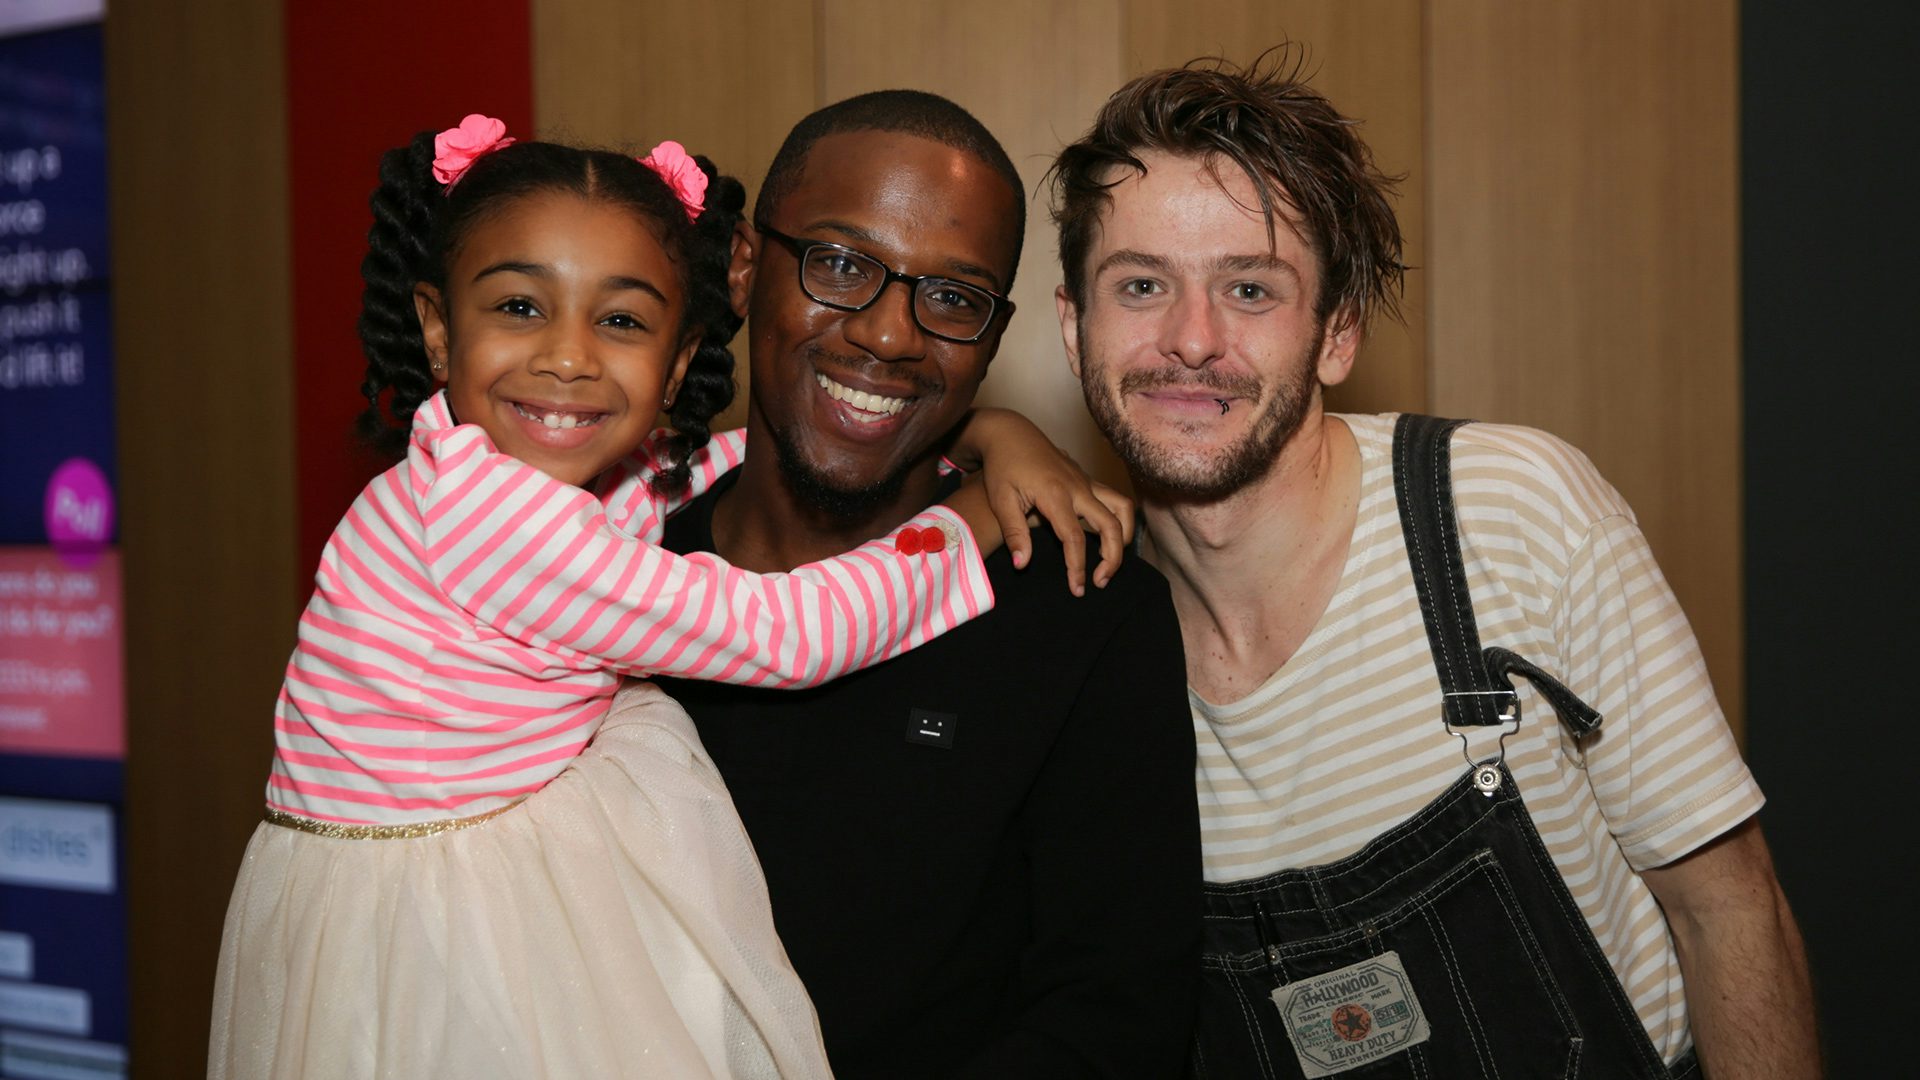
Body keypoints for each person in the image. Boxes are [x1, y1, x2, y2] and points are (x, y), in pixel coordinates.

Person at [209, 114, 1126, 1080]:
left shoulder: (488, 466)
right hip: (444, 921)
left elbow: (697, 468)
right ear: (439, 329)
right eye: (520, 306)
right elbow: (787, 635)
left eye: (619, 321)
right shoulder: (492, 523)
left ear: (678, 362)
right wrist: (967, 518)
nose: (569, 358)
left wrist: (984, 432)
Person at [1048, 57, 1822, 1079]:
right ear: (1075, 328)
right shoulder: (1082, 645)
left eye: (1250, 288)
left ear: (1337, 334)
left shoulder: (1505, 510)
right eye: (1141, 286)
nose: (1193, 340)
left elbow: (1729, 910)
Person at [650, 90, 1201, 1079]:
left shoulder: (1080, 612)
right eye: (841, 263)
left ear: (993, 338)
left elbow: (1118, 1018)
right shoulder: (605, 579)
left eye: (952, 297)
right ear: (742, 267)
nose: (890, 335)